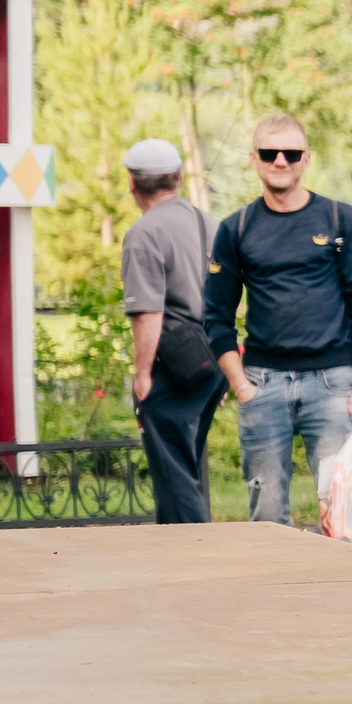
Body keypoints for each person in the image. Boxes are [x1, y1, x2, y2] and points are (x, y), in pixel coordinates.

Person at [204, 114, 352, 525]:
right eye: (269, 153)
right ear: (254, 159)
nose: (280, 160)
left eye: (291, 153)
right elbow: (215, 316)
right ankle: (271, 589)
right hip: (262, 385)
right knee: (265, 513)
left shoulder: (340, 220)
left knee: (341, 508)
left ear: (306, 159)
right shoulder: (236, 228)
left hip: (333, 383)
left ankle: (337, 588)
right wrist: (240, 384)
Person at [119, 138, 221, 523]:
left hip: (172, 366)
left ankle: (192, 558)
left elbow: (148, 313)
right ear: (178, 178)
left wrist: (143, 374)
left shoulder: (144, 234)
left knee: (173, 472)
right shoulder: (208, 223)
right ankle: (182, 553)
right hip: (210, 359)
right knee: (187, 462)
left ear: (132, 183)